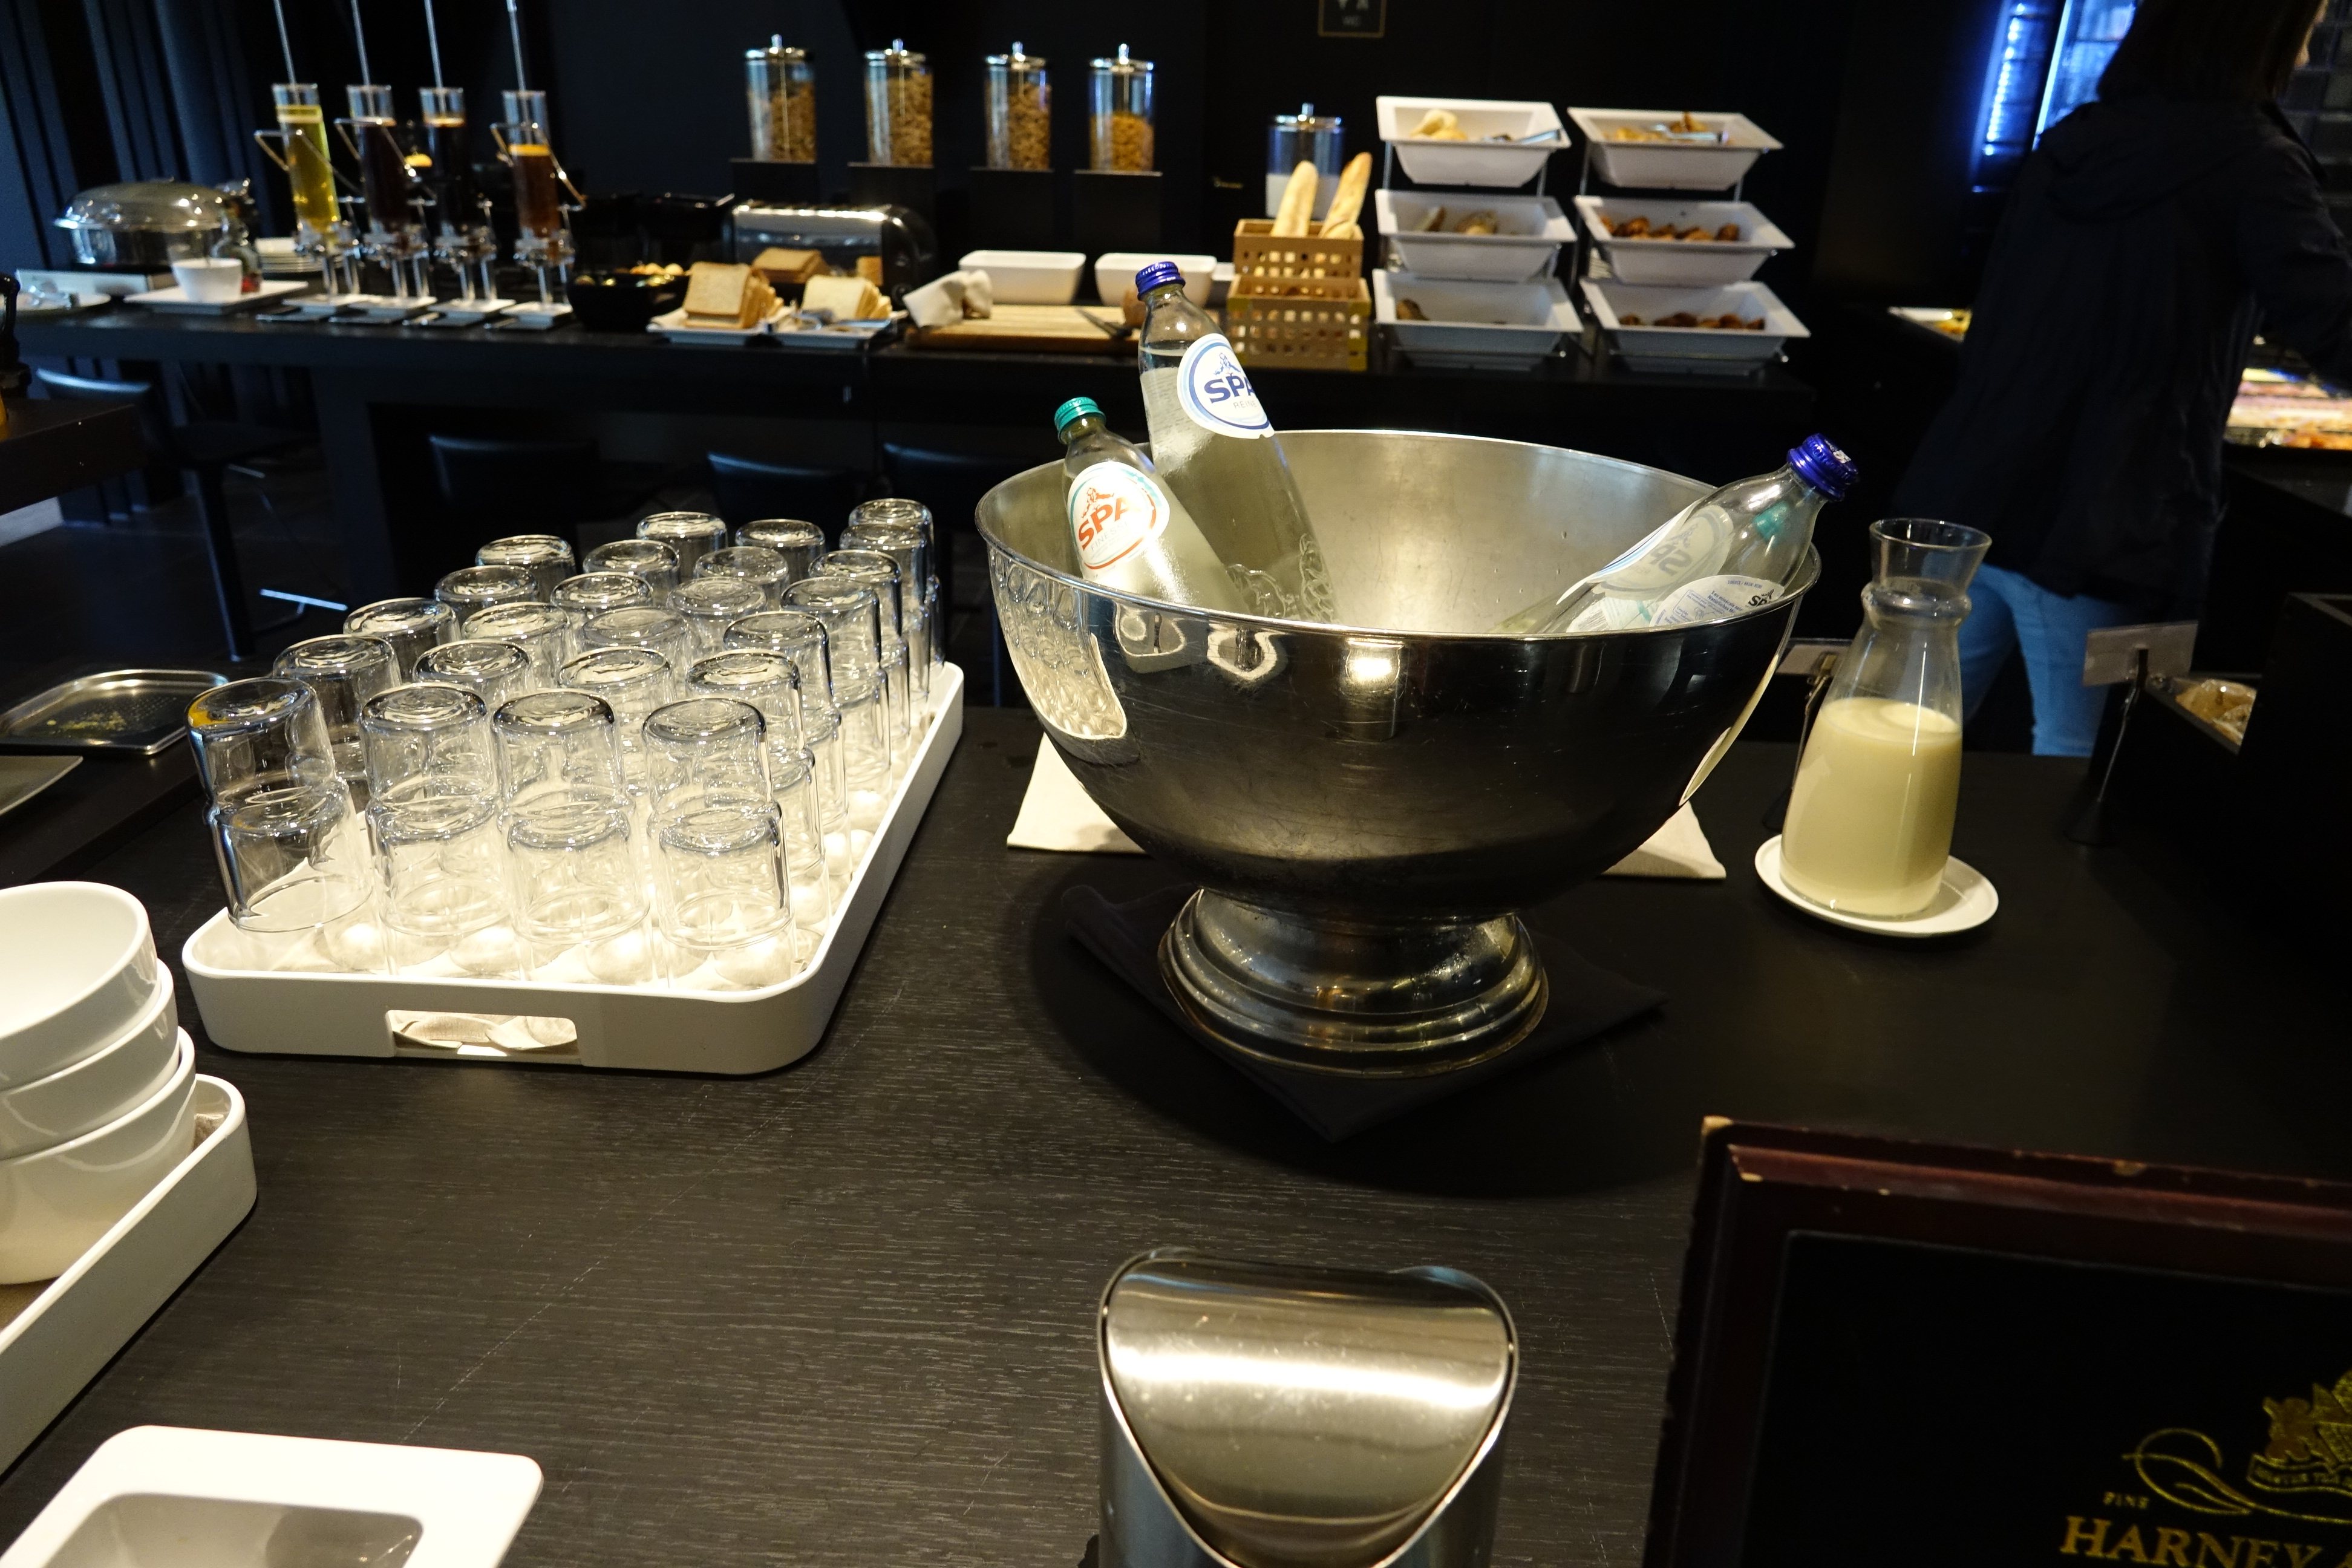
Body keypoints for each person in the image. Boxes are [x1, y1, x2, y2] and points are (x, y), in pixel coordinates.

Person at [1890, 0, 2352, 755]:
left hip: (1970, 493)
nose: (2306, 54)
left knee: (1904, 741)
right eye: (2308, 26)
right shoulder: (2254, 161)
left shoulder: (2076, 138)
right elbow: (2336, 329)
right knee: (2087, 776)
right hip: (2109, 522)